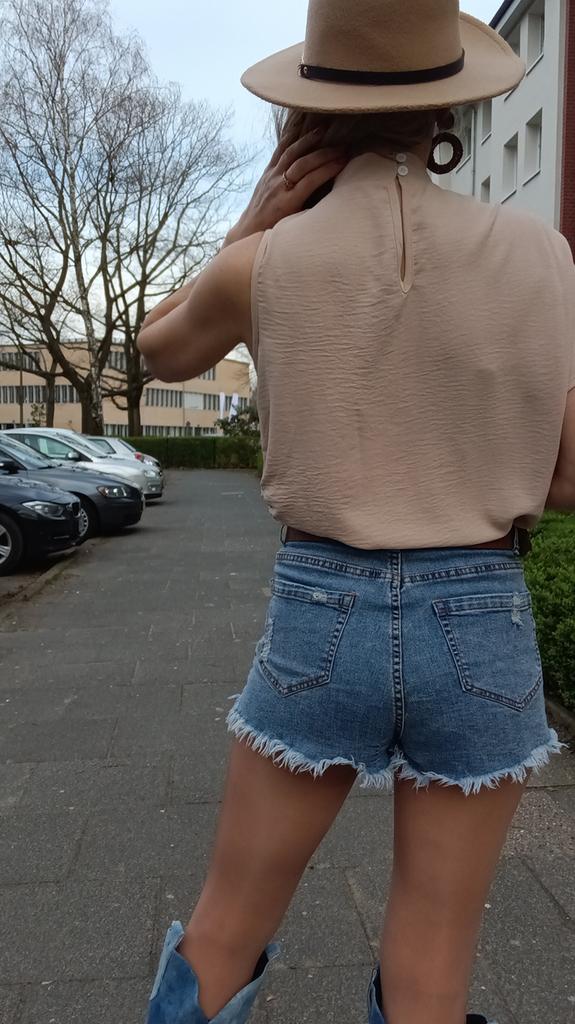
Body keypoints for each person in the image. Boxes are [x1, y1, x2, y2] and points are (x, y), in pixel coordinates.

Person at [137, 1, 575, 1021]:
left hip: (320, 607)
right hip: (481, 616)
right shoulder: (543, 257)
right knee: (431, 958)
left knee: (225, 924)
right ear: (446, 113)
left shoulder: (264, 262)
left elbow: (159, 352)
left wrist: (250, 221)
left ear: (306, 116)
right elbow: (564, 478)